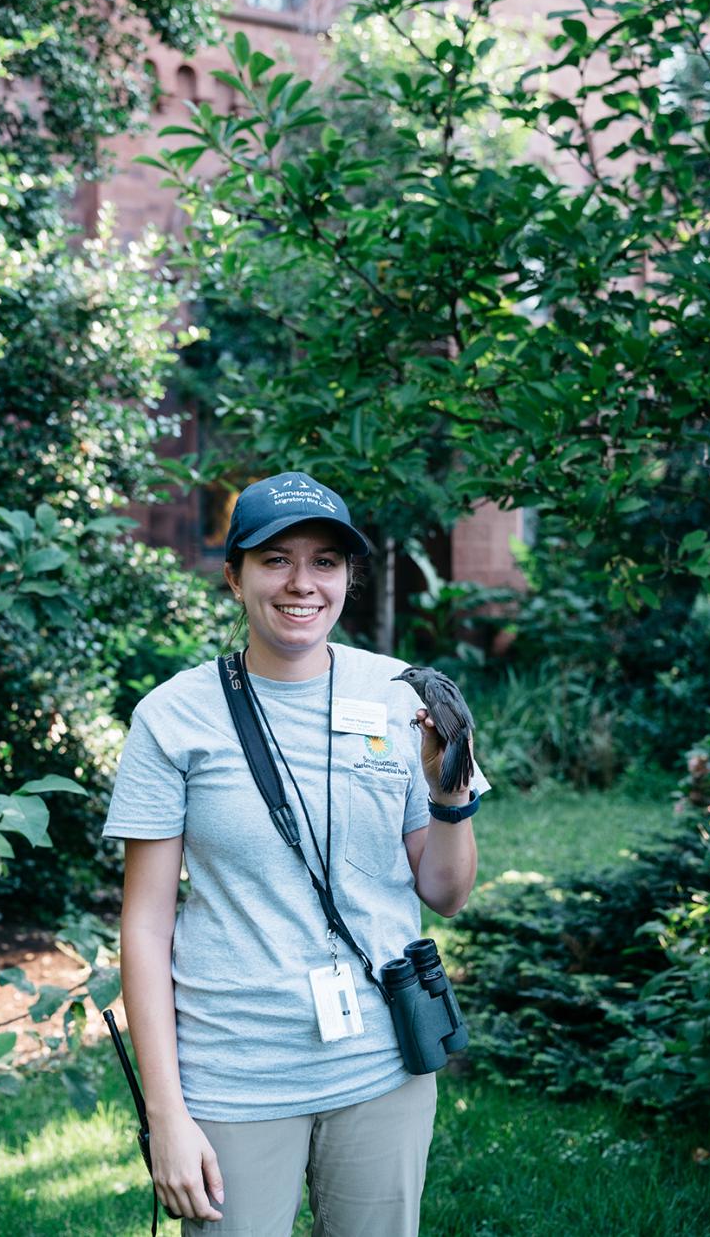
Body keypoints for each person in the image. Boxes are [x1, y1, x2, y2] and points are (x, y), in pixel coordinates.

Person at [103, 471, 487, 1237]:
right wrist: (166, 1113)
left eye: (324, 561)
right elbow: (144, 927)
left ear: (348, 575)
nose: (301, 584)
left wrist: (449, 791)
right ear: (233, 575)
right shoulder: (172, 716)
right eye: (274, 560)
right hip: (234, 1075)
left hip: (383, 1064)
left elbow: (445, 892)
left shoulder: (403, 695)